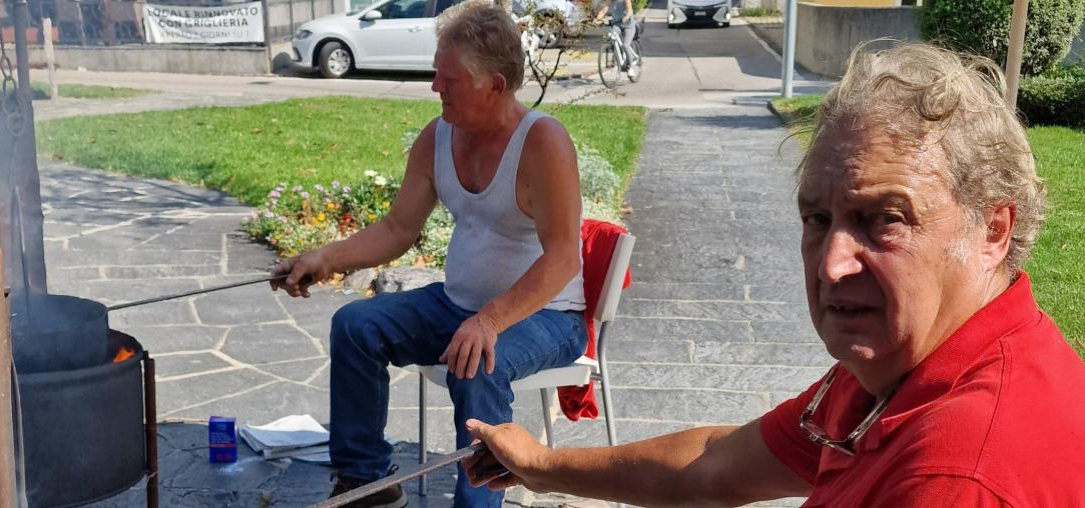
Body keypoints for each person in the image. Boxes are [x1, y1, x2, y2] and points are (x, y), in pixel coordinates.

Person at [462, 42, 1085, 507]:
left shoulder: (954, 477)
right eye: (817, 218)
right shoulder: (901, 369)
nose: (832, 264)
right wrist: (541, 465)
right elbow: (715, 464)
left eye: (884, 220)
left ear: (992, 231)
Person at [270, 2, 587, 507]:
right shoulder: (438, 136)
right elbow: (398, 228)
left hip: (547, 317)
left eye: (449, 79)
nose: (435, 87)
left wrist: (489, 322)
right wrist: (324, 258)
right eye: (437, 73)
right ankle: (365, 482)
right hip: (457, 307)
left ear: (495, 86)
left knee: (478, 364)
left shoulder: (542, 142)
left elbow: (564, 258)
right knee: (356, 326)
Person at [594, 0, 639, 79]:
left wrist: (627, 16)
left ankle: (631, 67)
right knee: (612, 36)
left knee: (625, 45)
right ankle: (616, 59)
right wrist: (598, 18)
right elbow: (604, 9)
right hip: (617, 24)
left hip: (629, 26)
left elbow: (629, 9)